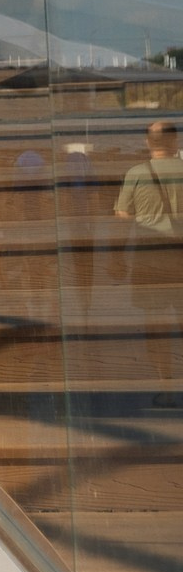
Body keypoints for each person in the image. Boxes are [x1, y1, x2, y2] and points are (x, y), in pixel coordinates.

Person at [115, 121, 183, 403]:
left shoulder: (137, 174)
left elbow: (122, 215)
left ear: (147, 143)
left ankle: (165, 388)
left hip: (149, 262)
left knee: (156, 329)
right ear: (175, 142)